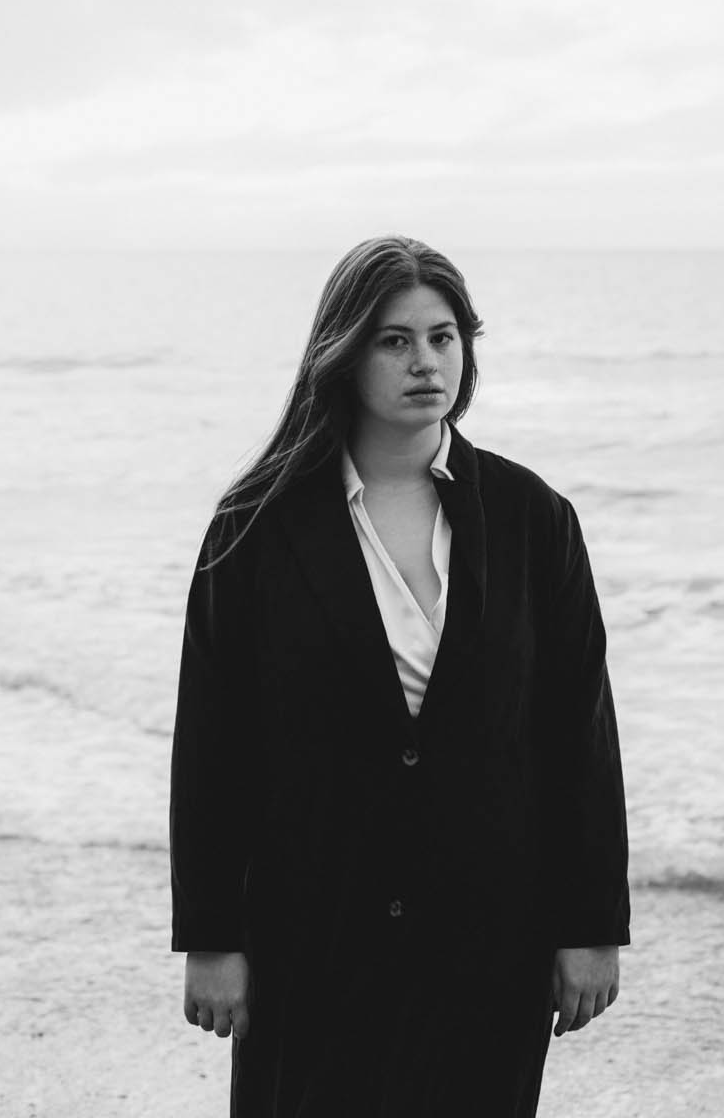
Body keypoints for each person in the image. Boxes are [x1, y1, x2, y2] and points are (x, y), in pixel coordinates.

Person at [170, 235, 631, 1117]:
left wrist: (591, 925)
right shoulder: (258, 525)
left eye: (443, 337)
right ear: (342, 354)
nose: (426, 361)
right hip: (314, 925)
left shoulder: (533, 518)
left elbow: (579, 731)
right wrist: (212, 939)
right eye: (394, 341)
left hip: (490, 928)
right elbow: (213, 744)